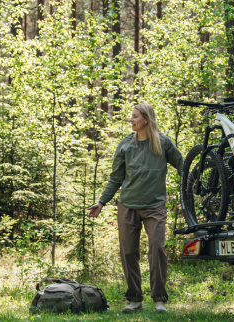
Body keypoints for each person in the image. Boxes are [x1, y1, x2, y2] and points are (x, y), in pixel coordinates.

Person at [86, 103, 183, 313]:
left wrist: (192, 194)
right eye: (131, 117)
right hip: (128, 205)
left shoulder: (163, 143)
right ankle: (135, 299)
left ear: (146, 119)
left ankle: (159, 299)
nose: (131, 120)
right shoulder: (125, 145)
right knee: (129, 252)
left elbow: (182, 166)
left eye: (135, 116)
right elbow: (116, 178)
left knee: (157, 249)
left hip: (155, 206)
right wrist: (101, 202)